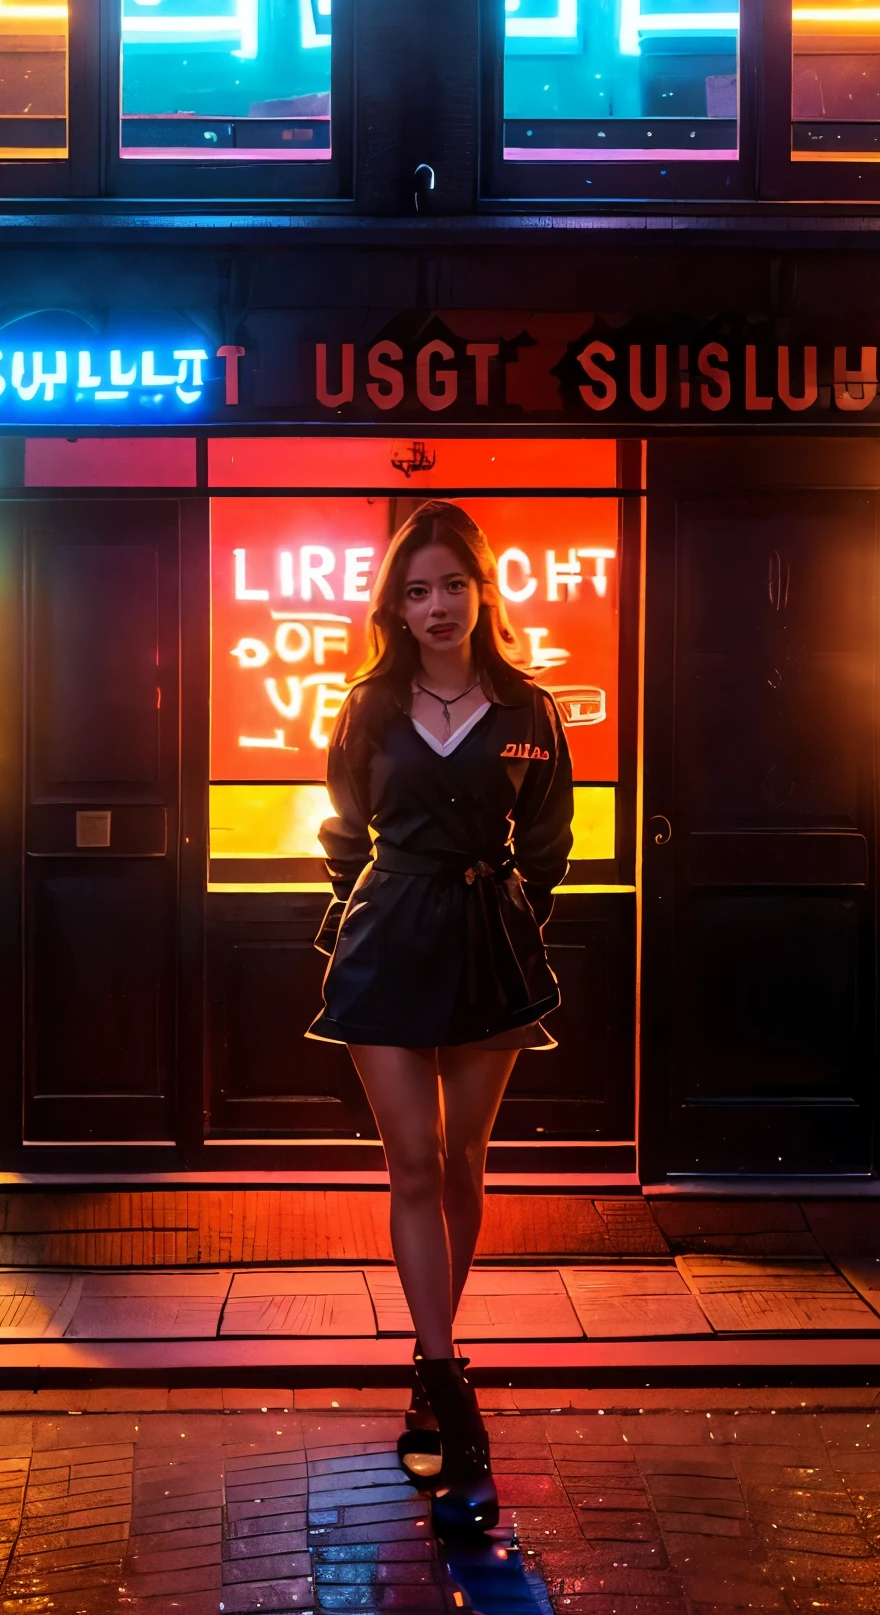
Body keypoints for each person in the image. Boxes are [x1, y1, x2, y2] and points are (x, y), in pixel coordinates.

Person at [307, 500, 574, 1537]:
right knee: (410, 1160)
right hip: (383, 938)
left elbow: (547, 839)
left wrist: (511, 911)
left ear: (481, 591)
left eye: (450, 584)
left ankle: (432, 1359)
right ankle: (441, 1369)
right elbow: (341, 823)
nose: (434, 605)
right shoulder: (369, 703)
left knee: (465, 1161)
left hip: (487, 939)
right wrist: (356, 903)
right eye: (414, 589)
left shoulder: (526, 705)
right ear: (394, 605)